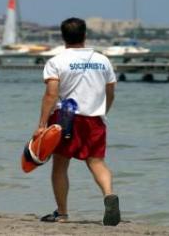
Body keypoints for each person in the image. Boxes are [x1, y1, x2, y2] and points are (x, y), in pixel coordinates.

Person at [33, 17, 120, 226]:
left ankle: (62, 213)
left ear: (63, 37)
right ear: (85, 35)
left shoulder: (57, 61)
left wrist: (42, 125)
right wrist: (102, 112)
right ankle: (109, 195)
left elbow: (51, 95)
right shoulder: (102, 60)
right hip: (95, 119)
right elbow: (110, 92)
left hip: (66, 118)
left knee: (60, 165)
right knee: (96, 162)